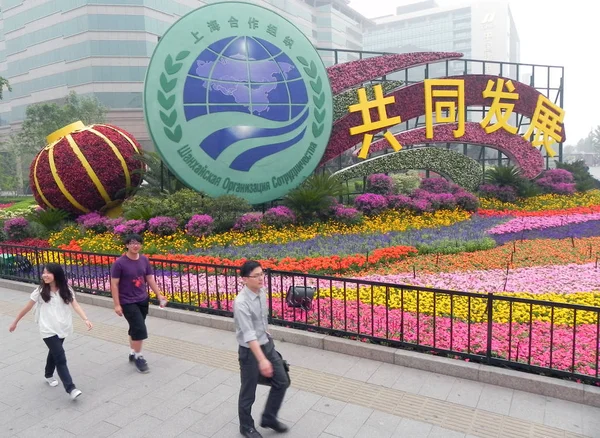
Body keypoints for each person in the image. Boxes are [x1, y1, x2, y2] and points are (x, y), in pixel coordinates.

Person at [8, 263, 93, 400]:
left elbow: (75, 305)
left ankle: (48, 374)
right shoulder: (40, 291)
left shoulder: (66, 289)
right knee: (60, 356)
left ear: (56, 274)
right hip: (47, 328)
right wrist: (15, 322)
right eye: (43, 272)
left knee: (54, 352)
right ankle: (71, 388)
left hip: (62, 327)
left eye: (48, 272)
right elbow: (27, 307)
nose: (44, 275)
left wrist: (85, 319)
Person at [234, 260, 290, 438]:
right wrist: (262, 360)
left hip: (267, 344)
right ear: (244, 279)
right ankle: (246, 426)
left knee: (282, 381)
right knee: (248, 390)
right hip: (250, 352)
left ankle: (269, 417)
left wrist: (267, 337)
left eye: (262, 273)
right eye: (256, 275)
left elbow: (262, 320)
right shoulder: (241, 303)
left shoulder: (262, 292)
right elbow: (249, 335)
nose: (261, 278)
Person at [110, 233, 167, 373]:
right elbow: (114, 284)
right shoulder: (119, 263)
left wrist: (159, 295)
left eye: (138, 243)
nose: (135, 245)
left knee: (135, 327)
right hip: (127, 301)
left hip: (142, 299)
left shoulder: (144, 260)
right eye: (132, 243)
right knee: (140, 329)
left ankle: (132, 351)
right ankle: (138, 357)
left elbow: (150, 278)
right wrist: (117, 304)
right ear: (127, 245)